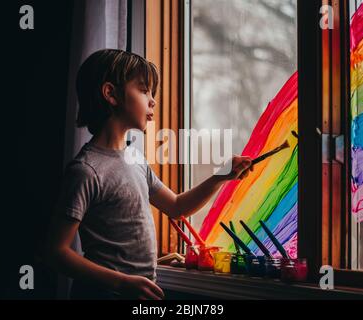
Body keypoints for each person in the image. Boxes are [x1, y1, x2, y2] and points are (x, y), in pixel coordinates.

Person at [45, 49, 253, 300]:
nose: (152, 100)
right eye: (144, 91)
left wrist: (220, 176)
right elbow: (55, 252)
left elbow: (177, 206)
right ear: (110, 94)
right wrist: (122, 283)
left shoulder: (135, 159)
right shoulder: (86, 171)